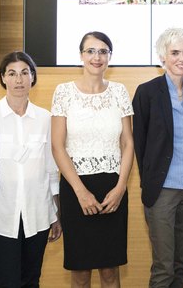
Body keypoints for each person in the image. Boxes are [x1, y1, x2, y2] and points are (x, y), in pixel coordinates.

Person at [51, 31, 134, 288]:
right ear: (80, 56)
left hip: (113, 189)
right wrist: (80, 192)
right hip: (76, 189)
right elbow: (57, 146)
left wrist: (121, 188)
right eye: (90, 51)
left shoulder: (120, 92)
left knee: (110, 271)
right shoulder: (63, 92)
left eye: (103, 51)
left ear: (110, 57)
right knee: (80, 271)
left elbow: (128, 143)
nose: (96, 57)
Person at [132, 28, 183, 287]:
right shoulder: (147, 92)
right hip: (162, 190)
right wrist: (150, 179)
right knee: (164, 266)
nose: (181, 58)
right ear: (162, 56)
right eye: (175, 52)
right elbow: (139, 143)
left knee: (180, 264)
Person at [0, 51, 62, 287]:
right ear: (3, 78)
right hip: (1, 215)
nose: (18, 80)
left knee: (32, 279)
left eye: (24, 73)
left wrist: (56, 214)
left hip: (38, 213)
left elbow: (52, 169)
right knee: (7, 281)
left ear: (33, 77)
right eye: (12, 73)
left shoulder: (45, 118)